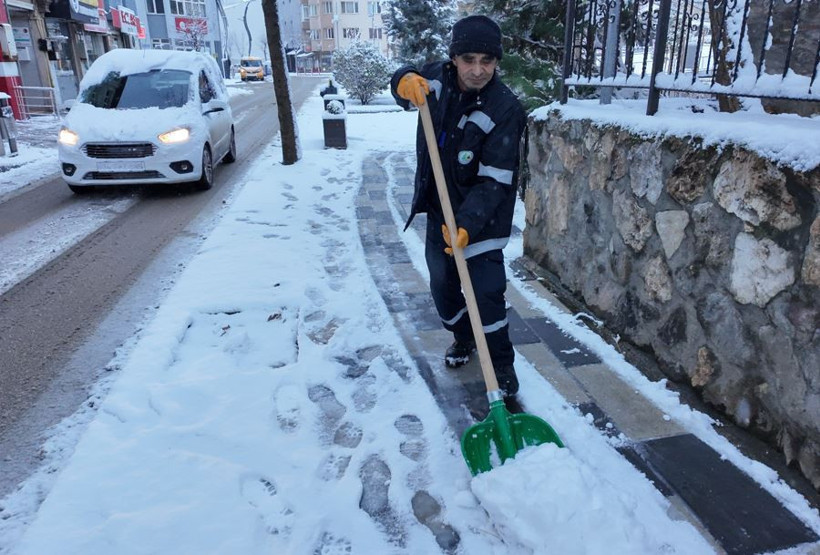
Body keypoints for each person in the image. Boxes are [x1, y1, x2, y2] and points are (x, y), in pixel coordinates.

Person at [390, 15, 526, 400]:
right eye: (469, 59)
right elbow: (406, 80)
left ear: (496, 61)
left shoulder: (505, 109)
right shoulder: (435, 80)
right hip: (440, 212)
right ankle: (464, 336)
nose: (478, 70)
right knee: (444, 288)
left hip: (483, 220)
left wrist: (466, 224)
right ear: (454, 58)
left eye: (487, 60)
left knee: (487, 296)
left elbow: (495, 180)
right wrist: (402, 80)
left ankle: (501, 366)